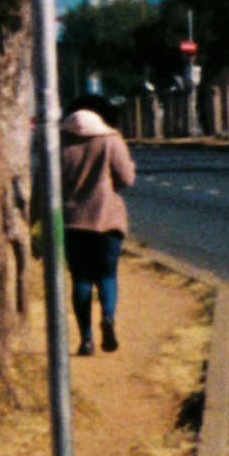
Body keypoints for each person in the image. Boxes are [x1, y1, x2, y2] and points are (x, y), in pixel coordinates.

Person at [59, 95, 136, 348]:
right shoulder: (111, 140)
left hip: (72, 224)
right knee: (107, 275)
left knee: (80, 279)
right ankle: (108, 316)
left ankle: (86, 339)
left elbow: (45, 185)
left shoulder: (60, 143)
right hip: (108, 223)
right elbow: (126, 178)